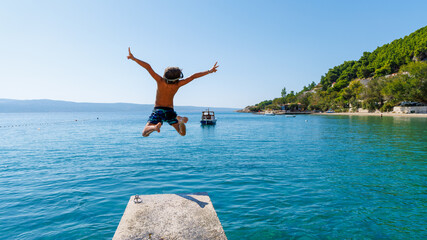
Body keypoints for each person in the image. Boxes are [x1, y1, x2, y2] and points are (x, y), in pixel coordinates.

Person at [127, 47, 218, 137]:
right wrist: (209, 71)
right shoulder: (178, 84)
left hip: (158, 110)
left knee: (144, 133)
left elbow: (148, 67)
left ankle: (154, 127)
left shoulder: (160, 81)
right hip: (170, 111)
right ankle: (180, 121)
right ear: (178, 77)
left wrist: (134, 59)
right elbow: (193, 76)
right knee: (182, 133)